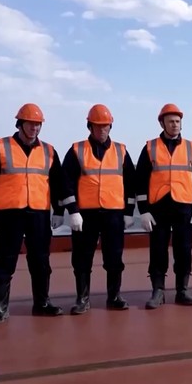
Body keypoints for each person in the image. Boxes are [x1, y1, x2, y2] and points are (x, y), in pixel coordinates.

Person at [0, 103, 80, 325]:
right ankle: (0, 309)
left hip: (39, 215)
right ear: (20, 124)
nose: (34, 128)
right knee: (4, 261)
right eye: (30, 124)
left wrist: (63, 211)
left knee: (41, 261)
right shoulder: (1, 147)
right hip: (9, 215)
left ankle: (42, 303)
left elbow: (60, 184)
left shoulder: (49, 151)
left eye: (38, 124)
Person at [61, 104, 136, 314]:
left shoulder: (121, 151)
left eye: (106, 126)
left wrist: (129, 212)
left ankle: (114, 296)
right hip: (85, 216)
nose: (102, 129)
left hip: (114, 214)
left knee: (114, 257)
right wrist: (73, 211)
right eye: (98, 126)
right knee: (82, 258)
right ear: (90, 126)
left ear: (111, 126)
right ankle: (82, 299)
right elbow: (66, 183)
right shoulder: (77, 150)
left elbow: (131, 183)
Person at [135, 103, 192, 308]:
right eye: (171, 121)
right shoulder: (150, 147)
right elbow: (141, 180)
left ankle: (182, 290)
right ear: (162, 123)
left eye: (177, 121)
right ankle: (158, 291)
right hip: (158, 208)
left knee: (184, 250)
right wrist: (144, 211)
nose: (175, 125)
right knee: (158, 250)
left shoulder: (190, 148)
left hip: (184, 207)